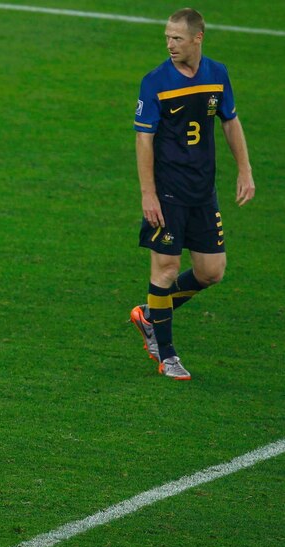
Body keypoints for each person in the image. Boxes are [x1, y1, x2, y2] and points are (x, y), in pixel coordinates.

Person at [130, 8, 254, 380]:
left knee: (211, 272)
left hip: (203, 191)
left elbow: (230, 121)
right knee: (165, 268)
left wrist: (244, 170)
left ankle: (151, 314)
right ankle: (166, 354)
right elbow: (143, 138)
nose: (169, 44)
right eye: (167, 37)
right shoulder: (155, 82)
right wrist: (147, 193)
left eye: (177, 38)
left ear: (197, 38)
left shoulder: (217, 75)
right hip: (167, 193)